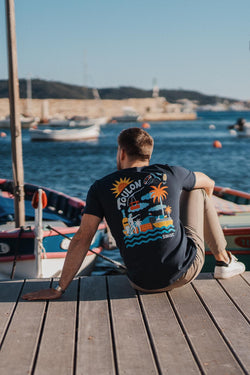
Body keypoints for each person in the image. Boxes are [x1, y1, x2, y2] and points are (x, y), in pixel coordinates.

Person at [22, 127, 245, 300]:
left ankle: (222, 260)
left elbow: (83, 237)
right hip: (185, 271)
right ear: (149, 153)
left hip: (141, 283)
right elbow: (209, 183)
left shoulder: (101, 187)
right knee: (196, 189)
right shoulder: (170, 173)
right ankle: (223, 261)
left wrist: (60, 288)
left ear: (121, 152)